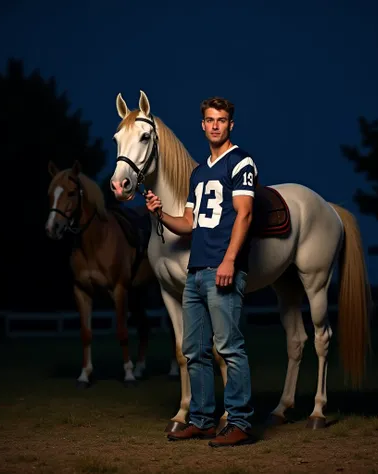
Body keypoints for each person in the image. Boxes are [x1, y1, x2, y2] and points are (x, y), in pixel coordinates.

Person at [145, 97, 258, 448]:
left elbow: (245, 214)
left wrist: (229, 260)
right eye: (209, 120)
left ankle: (239, 422)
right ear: (202, 125)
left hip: (221, 269)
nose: (214, 126)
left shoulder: (240, 162)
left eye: (221, 120)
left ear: (230, 125)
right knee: (195, 348)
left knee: (229, 348)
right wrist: (160, 213)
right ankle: (203, 419)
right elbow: (189, 223)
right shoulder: (198, 172)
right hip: (195, 272)